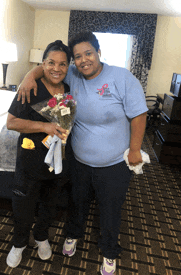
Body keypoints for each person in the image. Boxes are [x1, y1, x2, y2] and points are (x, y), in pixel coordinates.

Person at [17, 31, 148, 275]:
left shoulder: (121, 77)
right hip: (79, 161)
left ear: (98, 52)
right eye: (77, 56)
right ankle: (73, 235)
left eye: (88, 53)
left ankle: (109, 250)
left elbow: (139, 114)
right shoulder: (74, 76)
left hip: (114, 164)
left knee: (110, 209)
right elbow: (47, 68)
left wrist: (135, 149)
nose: (83, 60)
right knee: (78, 203)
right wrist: (28, 75)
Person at [6, 40, 73, 268]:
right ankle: (19, 243)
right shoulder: (30, 87)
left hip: (57, 161)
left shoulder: (69, 89)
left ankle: (41, 237)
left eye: (63, 64)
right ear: (43, 64)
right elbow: (11, 123)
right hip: (30, 159)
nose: (57, 68)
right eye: (51, 62)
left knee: (49, 204)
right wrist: (44, 127)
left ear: (68, 67)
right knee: (23, 205)